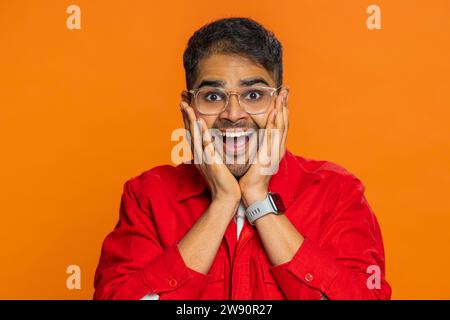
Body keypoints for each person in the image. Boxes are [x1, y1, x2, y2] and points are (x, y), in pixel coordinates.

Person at [93, 17, 391, 300]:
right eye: (212, 96)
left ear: (280, 102)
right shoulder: (147, 195)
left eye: (253, 95)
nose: (233, 115)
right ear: (188, 106)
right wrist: (223, 203)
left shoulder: (337, 192)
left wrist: (258, 199)